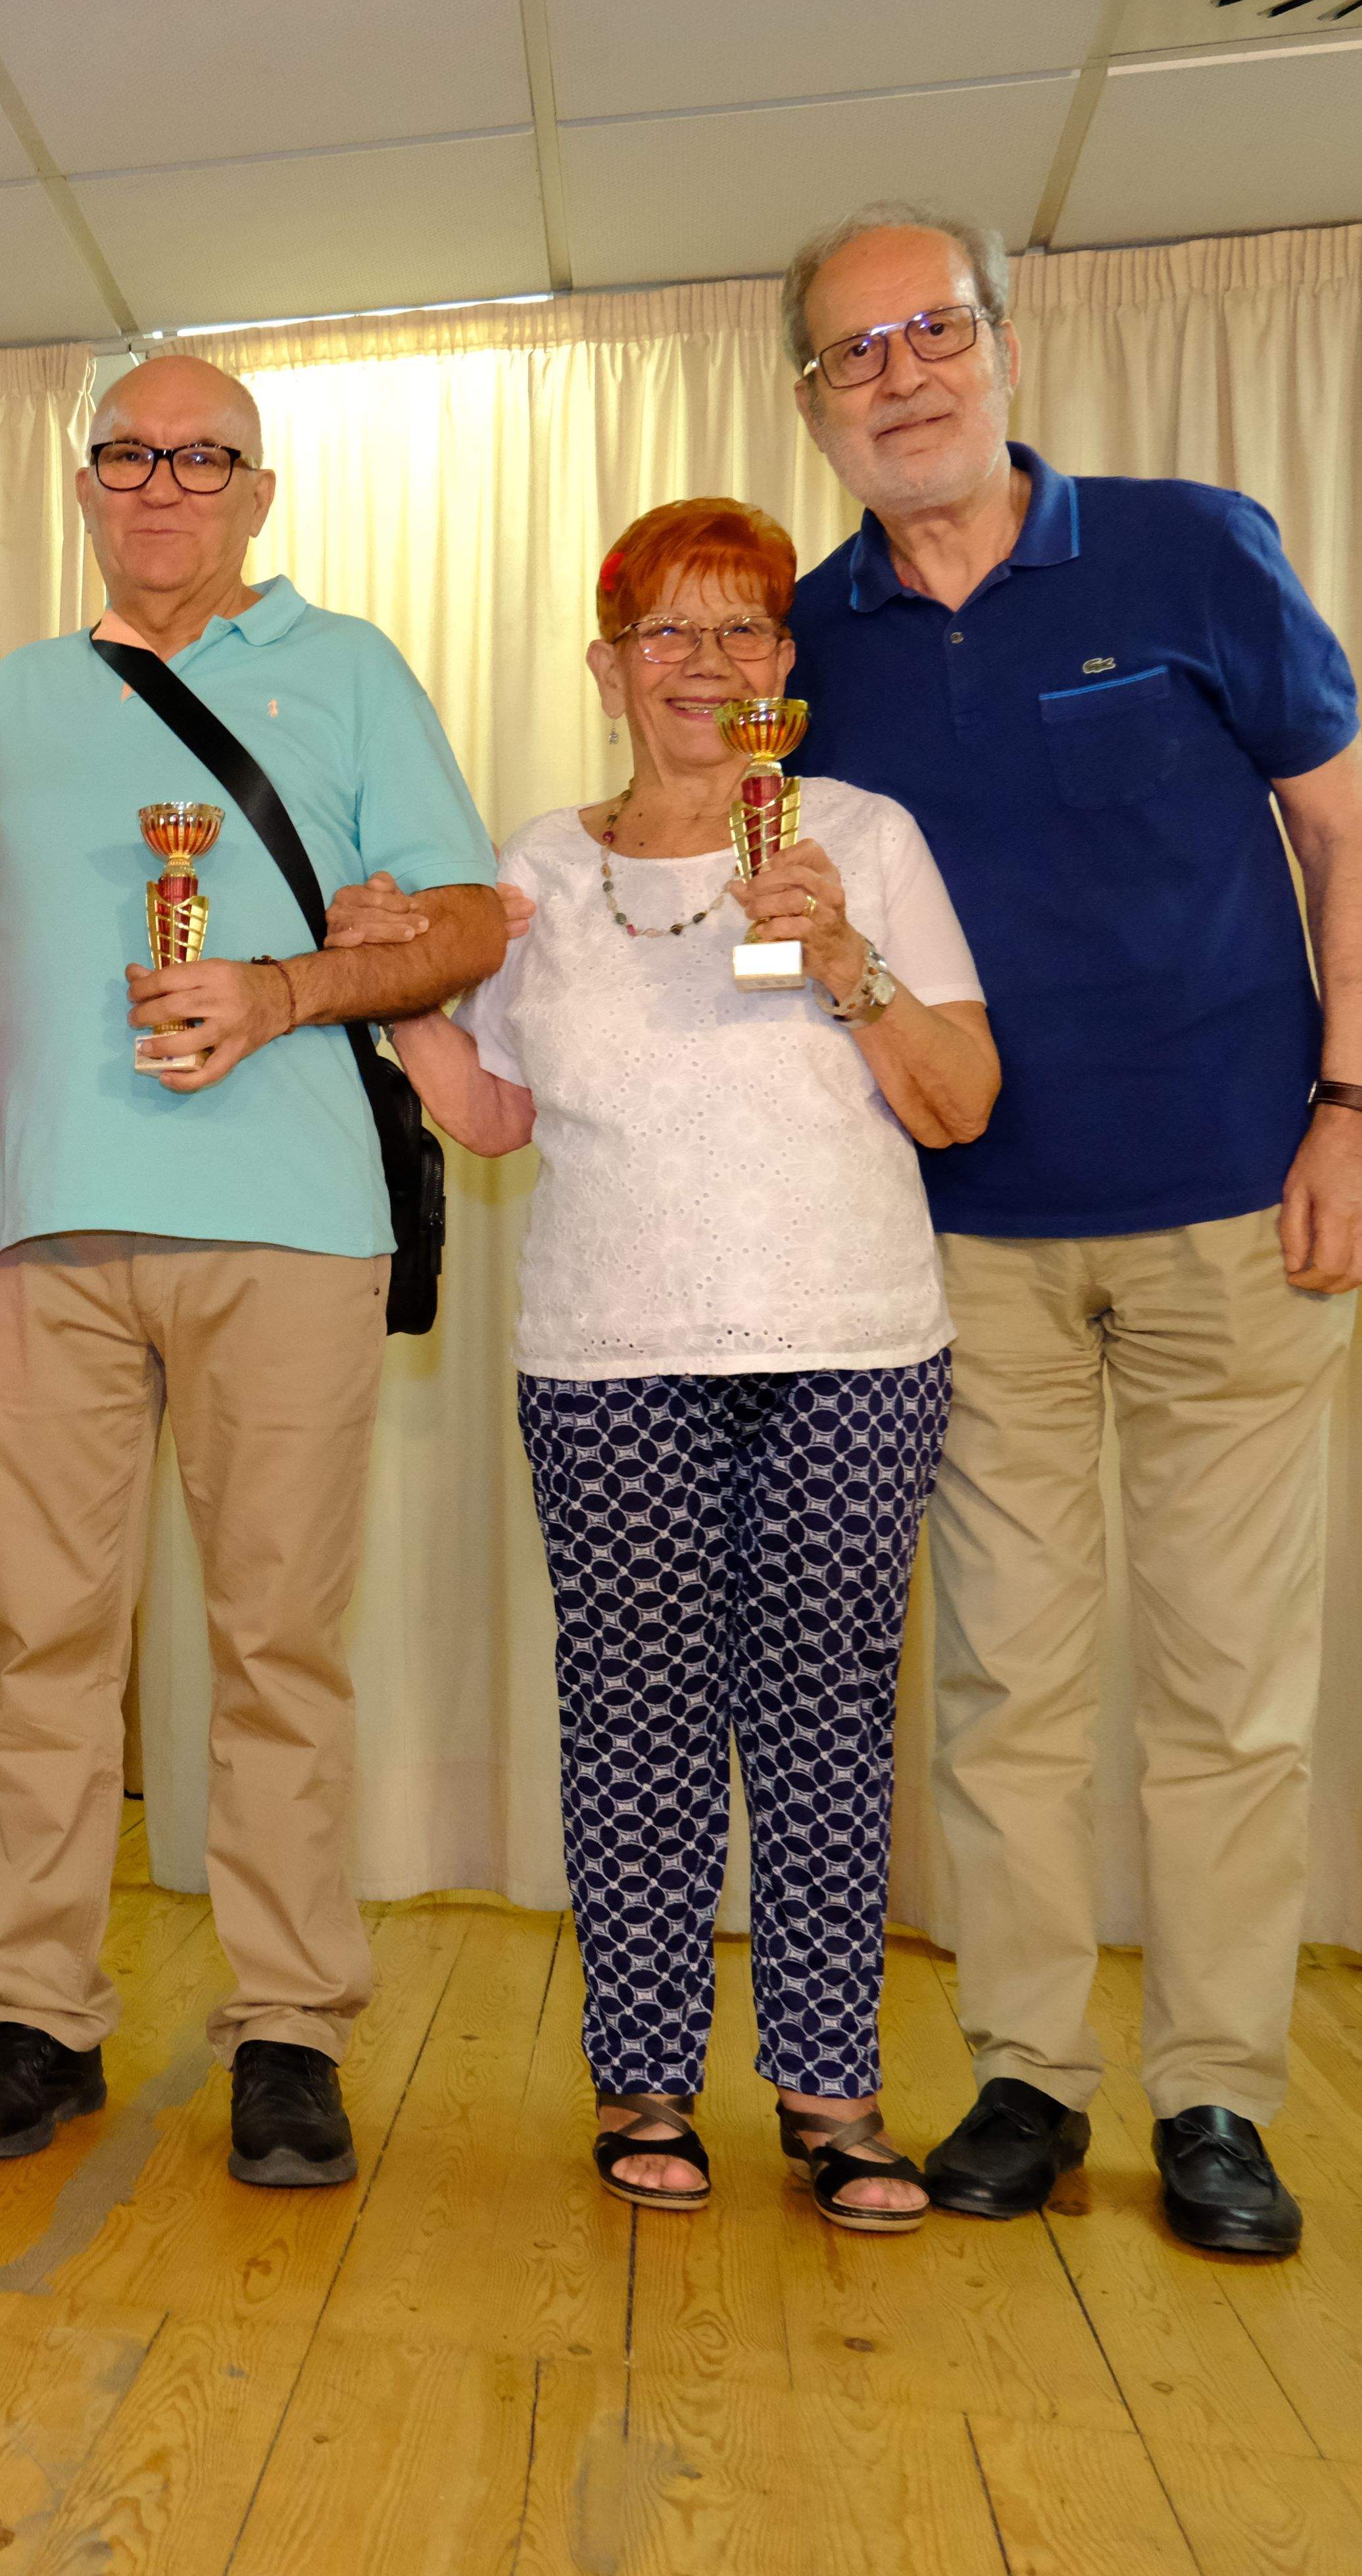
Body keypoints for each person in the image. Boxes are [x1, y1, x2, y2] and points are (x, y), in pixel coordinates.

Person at [775, 201, 1362, 2259]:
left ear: (1005, 342)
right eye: (855, 354)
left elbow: (1351, 845)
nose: (903, 377)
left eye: (931, 330)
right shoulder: (810, 643)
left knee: (1232, 1692)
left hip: (1243, 1207)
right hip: (961, 1246)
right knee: (1006, 1690)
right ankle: (1029, 2077)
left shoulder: (1192, 547)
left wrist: (1359, 1112)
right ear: (814, 405)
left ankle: (1219, 2096)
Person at [0, 355, 505, 2187]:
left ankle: (291, 2025)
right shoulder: (14, 698)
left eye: (201, 459)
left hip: (294, 1222)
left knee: (275, 1645)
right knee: (47, 1645)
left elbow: (466, 919)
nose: (162, 485)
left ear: (257, 492)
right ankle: (38, 2015)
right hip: (38, 1233)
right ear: (86, 486)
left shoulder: (351, 667)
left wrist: (284, 991)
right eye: (129, 456)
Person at [381, 497, 997, 2227]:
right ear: (609, 665)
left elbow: (965, 1101)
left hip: (856, 1351)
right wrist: (400, 995)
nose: (708, 668)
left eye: (744, 635)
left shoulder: (861, 837)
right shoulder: (536, 869)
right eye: (672, 634)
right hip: (607, 1360)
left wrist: (849, 966)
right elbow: (498, 1122)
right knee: (638, 1726)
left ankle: (832, 2095)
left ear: (788, 669)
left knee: (820, 1727)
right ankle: (642, 2083)